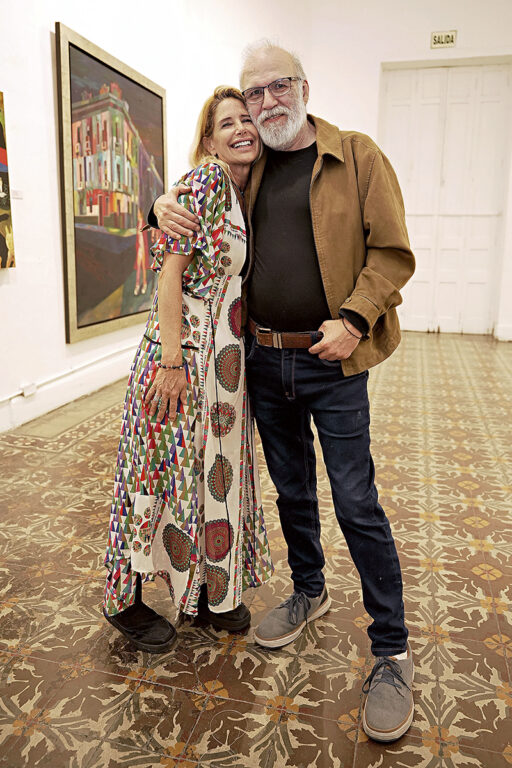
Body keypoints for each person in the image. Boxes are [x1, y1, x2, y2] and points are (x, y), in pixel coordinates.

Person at [150, 42, 416, 743]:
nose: (265, 103)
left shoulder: (356, 156)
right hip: (264, 362)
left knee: (356, 500)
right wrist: (159, 204)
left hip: (333, 363)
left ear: (303, 87)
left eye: (277, 87)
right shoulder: (251, 165)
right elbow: (197, 202)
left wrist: (355, 319)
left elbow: (392, 252)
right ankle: (309, 589)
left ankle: (391, 650)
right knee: (292, 491)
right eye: (253, 92)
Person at [103, 86, 273, 654]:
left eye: (247, 119)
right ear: (209, 140)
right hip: (179, 360)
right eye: (227, 123)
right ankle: (122, 600)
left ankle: (202, 593)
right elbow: (170, 275)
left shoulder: (242, 192)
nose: (241, 129)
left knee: (201, 479)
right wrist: (172, 362)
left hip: (221, 372)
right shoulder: (206, 182)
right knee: (151, 476)